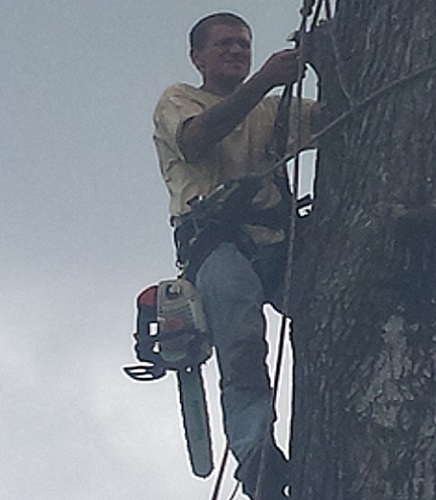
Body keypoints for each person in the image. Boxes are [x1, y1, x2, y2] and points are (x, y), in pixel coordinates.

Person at [152, 11, 318, 500]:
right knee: (242, 342)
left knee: (334, 310)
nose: (235, 52)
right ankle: (255, 454)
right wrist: (266, 79)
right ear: (197, 56)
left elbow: (344, 117)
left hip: (278, 243)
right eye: (224, 45)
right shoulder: (179, 100)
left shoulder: (275, 110)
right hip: (217, 243)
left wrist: (326, 60)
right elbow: (197, 139)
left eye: (243, 45)